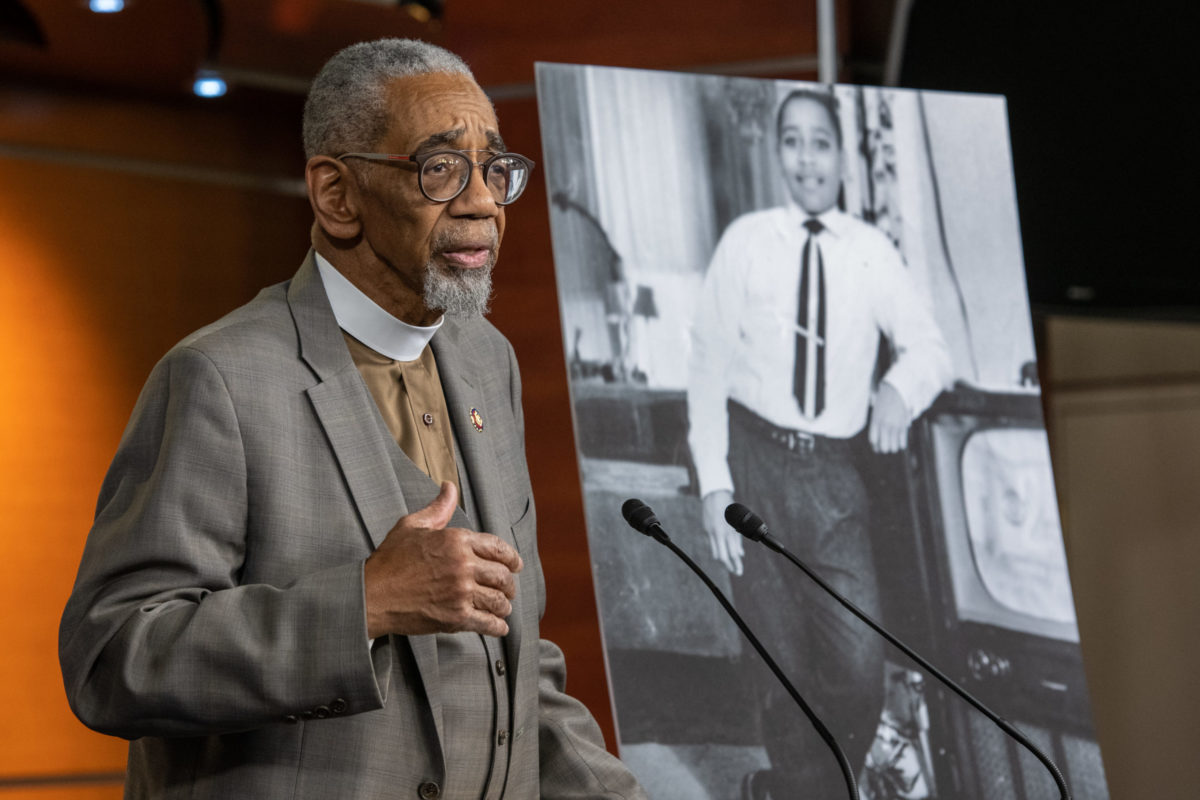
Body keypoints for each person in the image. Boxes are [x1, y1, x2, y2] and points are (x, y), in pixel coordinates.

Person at [59, 39, 647, 800]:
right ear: (337, 195)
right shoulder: (220, 377)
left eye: (495, 168)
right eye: (441, 167)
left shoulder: (487, 358)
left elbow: (516, 668)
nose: (482, 203)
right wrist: (366, 602)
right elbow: (113, 658)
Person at [686, 88, 952, 798]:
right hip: (751, 462)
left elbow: (931, 349)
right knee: (781, 669)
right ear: (779, 153)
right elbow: (707, 364)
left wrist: (898, 388)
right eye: (793, 142)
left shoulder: (871, 251)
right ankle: (805, 788)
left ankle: (789, 789)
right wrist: (714, 484)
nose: (807, 159)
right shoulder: (746, 241)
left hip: (833, 475)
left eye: (821, 143)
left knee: (859, 664)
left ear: (842, 158)